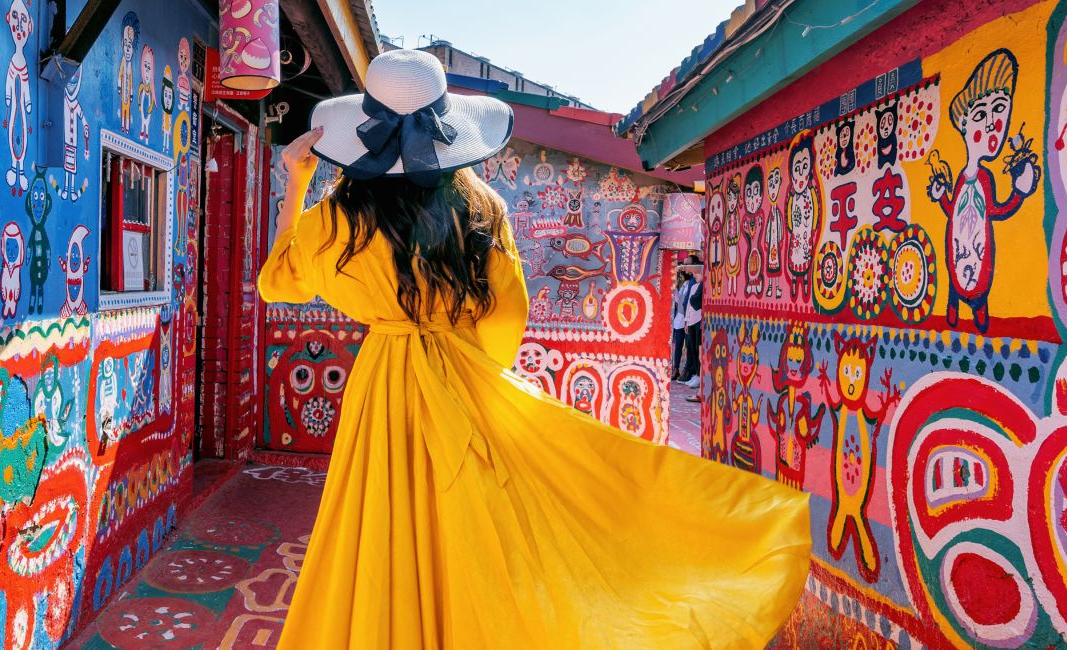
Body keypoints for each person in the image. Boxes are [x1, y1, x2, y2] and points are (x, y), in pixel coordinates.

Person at [260, 49, 811, 649]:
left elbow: (275, 282)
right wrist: (476, 379)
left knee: (382, 525)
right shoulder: (481, 209)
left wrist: (295, 180)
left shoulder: (336, 220)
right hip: (461, 381)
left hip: (381, 387)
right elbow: (505, 321)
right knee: (480, 535)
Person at [671, 259, 705, 395]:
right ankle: (694, 374)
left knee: (697, 350)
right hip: (689, 320)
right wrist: (686, 321)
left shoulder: (700, 286)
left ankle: (697, 375)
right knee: (692, 348)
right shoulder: (692, 285)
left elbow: (694, 303)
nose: (695, 275)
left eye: (697, 273)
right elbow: (688, 304)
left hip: (698, 321)